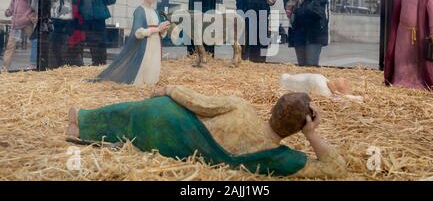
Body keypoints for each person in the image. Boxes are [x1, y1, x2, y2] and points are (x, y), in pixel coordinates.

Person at [66, 86, 347, 179]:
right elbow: (335, 167)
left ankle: (82, 120)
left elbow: (196, 102)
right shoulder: (280, 158)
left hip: (170, 118)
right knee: (131, 135)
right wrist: (312, 135)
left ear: (272, 110)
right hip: (169, 146)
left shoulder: (242, 108)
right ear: (300, 127)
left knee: (131, 114)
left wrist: (168, 89)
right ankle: (90, 130)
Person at [95, 0, 170, 85]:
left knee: (153, 65)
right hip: (145, 45)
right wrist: (157, 29)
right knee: (145, 65)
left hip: (155, 44)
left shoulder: (155, 12)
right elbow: (138, 33)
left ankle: (151, 83)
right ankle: (141, 84)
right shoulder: (139, 11)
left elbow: (160, 32)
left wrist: (163, 30)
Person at [285, 0, 330, 67]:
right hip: (299, 29)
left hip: (315, 30)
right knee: (301, 64)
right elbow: (293, 8)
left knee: (311, 64)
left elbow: (316, 4)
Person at [1, 0, 35, 72]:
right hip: (15, 25)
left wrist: (28, 17)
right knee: (10, 46)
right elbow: (11, 8)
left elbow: (34, 7)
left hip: (27, 23)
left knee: (35, 42)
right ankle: (5, 68)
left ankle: (34, 64)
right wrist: (7, 12)